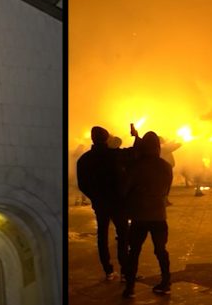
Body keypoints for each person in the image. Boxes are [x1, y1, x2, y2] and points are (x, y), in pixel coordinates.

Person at [121, 131, 173, 298]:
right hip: (158, 214)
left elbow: (124, 189)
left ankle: (130, 287)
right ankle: (166, 282)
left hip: (139, 215)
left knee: (134, 251)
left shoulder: (136, 166)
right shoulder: (166, 166)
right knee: (161, 250)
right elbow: (167, 190)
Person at [76, 126, 129, 281]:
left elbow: (83, 184)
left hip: (100, 204)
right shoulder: (116, 155)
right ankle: (125, 271)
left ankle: (108, 271)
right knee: (123, 235)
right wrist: (136, 136)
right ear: (106, 139)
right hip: (118, 202)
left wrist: (95, 197)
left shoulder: (84, 159)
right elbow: (135, 152)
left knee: (102, 236)